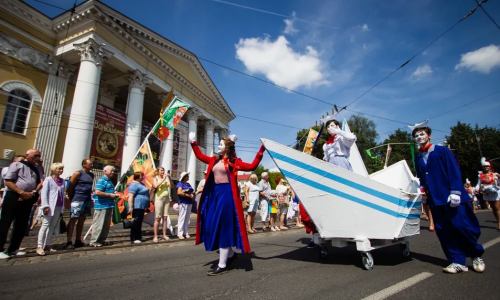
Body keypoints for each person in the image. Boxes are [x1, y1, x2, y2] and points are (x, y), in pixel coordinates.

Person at [412, 120, 485, 274]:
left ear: (429, 135)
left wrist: (455, 192)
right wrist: (422, 189)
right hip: (435, 200)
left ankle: (475, 254)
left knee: (461, 226)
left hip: (451, 197)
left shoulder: (442, 151)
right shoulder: (418, 157)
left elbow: (453, 171)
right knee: (443, 230)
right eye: (416, 136)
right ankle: (457, 261)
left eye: (422, 134)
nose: (419, 137)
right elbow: (421, 177)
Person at [189, 132, 265, 276]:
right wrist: (193, 142)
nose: (218, 146)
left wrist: (261, 150)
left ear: (227, 148)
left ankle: (222, 264)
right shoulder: (214, 160)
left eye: (221, 144)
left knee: (223, 226)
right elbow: (200, 156)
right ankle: (230, 255)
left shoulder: (234, 161)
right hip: (214, 194)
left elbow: (252, 165)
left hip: (227, 195)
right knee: (211, 224)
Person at [301, 116, 357, 248]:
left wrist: (339, 131)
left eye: (333, 125)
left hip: (341, 164)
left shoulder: (342, 138)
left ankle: (351, 227)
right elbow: (326, 158)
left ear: (338, 126)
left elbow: (352, 138)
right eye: (329, 126)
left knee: (345, 195)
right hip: (330, 167)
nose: (331, 127)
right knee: (332, 198)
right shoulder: (326, 145)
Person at [0, 149, 43, 259]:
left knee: (21, 224)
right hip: (14, 196)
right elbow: (8, 181)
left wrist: (32, 192)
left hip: (28, 197)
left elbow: (40, 182)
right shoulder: (17, 165)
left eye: (39, 156)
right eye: (35, 156)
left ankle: (14, 248)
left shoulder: (37, 168)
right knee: (5, 223)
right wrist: (21, 192)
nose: (38, 158)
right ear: (27, 156)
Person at [65, 159, 94, 249]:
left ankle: (78, 239)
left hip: (86, 199)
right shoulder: (78, 173)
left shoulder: (91, 175)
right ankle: (69, 241)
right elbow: (70, 186)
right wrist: (71, 198)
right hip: (77, 198)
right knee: (73, 219)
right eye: (90, 164)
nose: (92, 165)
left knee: (82, 220)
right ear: (84, 164)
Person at [36, 163, 65, 255]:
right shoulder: (48, 180)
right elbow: (44, 193)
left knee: (52, 226)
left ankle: (47, 245)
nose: (61, 171)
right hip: (50, 206)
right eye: (59, 169)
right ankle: (40, 246)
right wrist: (45, 206)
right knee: (45, 225)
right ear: (53, 170)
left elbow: (63, 194)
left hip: (58, 206)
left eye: (62, 169)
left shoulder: (63, 180)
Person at [90, 165, 119, 247]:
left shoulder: (109, 181)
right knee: (99, 224)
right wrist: (110, 195)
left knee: (105, 225)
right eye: (111, 171)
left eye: (113, 171)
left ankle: (101, 240)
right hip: (101, 206)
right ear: (105, 171)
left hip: (108, 205)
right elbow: (97, 192)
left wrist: (114, 193)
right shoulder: (101, 180)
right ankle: (94, 241)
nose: (112, 172)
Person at [475, 158, 499, 230]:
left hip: (495, 191)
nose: (486, 168)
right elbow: (478, 183)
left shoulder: (495, 174)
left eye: (487, 166)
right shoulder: (481, 175)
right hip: (486, 192)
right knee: (493, 208)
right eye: (485, 166)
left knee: (497, 207)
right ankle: (498, 220)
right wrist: (477, 188)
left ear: (489, 167)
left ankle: (499, 222)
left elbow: (498, 183)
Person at [128, 172, 150, 244]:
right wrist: (131, 206)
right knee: (135, 222)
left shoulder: (141, 184)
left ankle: (139, 236)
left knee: (139, 221)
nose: (143, 177)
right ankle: (134, 237)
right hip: (137, 205)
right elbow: (131, 195)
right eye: (141, 176)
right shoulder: (134, 184)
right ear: (137, 177)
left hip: (142, 206)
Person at [153, 167, 173, 242]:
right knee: (157, 218)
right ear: (158, 172)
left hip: (166, 198)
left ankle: (164, 234)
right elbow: (155, 186)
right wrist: (163, 180)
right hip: (159, 198)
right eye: (161, 170)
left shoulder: (166, 178)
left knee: (165, 217)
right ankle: (155, 236)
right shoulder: (155, 178)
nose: (163, 171)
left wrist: (169, 178)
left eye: (163, 170)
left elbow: (171, 187)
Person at [176, 172, 194, 239]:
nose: (188, 176)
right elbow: (179, 192)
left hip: (189, 202)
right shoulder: (180, 184)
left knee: (187, 218)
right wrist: (187, 195)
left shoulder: (188, 184)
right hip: (183, 202)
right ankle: (180, 233)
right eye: (186, 175)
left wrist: (192, 195)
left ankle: (185, 232)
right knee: (182, 217)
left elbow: (192, 192)